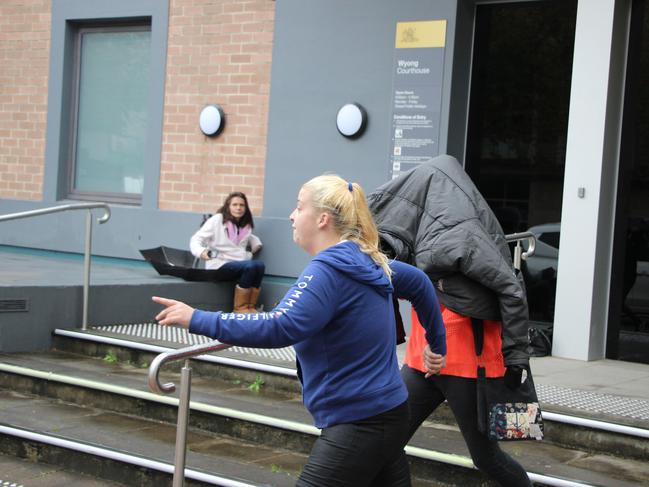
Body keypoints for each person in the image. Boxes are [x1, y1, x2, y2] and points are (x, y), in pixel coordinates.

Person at [154, 174, 446, 487]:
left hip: (360, 420)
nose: (292, 216)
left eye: (298, 207)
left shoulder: (329, 270)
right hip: (387, 410)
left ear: (322, 219)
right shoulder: (368, 260)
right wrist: (436, 344)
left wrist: (196, 318)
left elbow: (279, 326)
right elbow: (420, 283)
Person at [368, 155, 532, 487]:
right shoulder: (418, 235)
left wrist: (516, 355)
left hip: (468, 364)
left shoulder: (464, 236)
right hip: (421, 360)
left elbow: (511, 290)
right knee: (382, 443)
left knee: (486, 457)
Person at [190, 191, 264, 313]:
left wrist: (256, 242)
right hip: (219, 265)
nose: (238, 208)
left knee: (260, 265)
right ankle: (240, 308)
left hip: (239, 264)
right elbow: (196, 239)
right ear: (228, 206)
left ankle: (250, 307)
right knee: (251, 266)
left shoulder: (246, 224)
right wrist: (201, 252)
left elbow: (241, 237)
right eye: (234, 205)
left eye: (242, 205)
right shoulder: (217, 220)